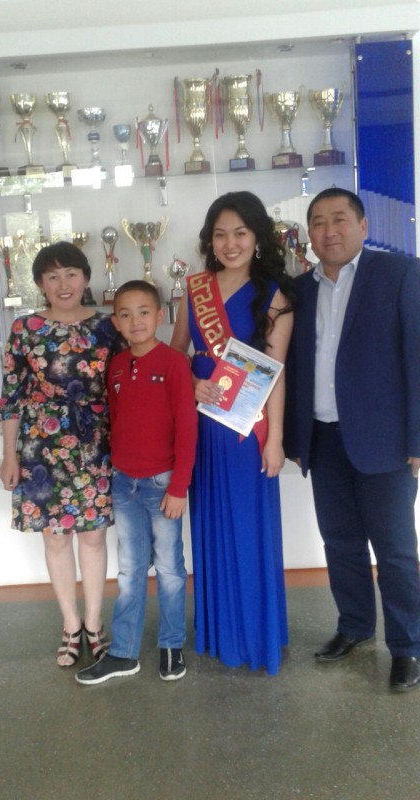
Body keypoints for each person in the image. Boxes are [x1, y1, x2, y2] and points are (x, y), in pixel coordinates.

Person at [284, 187, 420, 692]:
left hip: (386, 441)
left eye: (339, 219)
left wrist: (418, 437)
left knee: (395, 550)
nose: (329, 231)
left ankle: (408, 645)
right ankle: (356, 626)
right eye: (318, 222)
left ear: (363, 226)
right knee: (340, 543)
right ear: (309, 233)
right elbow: (295, 364)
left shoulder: (400, 274)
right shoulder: (300, 290)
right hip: (323, 439)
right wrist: (294, 435)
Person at [170, 191, 295, 673]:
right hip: (202, 426)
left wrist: (275, 440)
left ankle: (256, 633)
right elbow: (175, 355)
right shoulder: (195, 289)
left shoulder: (275, 295)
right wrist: (191, 382)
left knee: (248, 528)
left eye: (240, 233)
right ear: (210, 240)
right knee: (211, 526)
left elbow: (275, 374)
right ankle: (220, 631)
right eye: (220, 234)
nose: (230, 243)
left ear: (257, 237)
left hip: (248, 430)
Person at [0, 241, 121, 668]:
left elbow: (126, 385)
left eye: (71, 273)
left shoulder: (108, 326)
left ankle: (94, 622)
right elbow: (11, 397)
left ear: (86, 278)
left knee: (93, 535)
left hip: (96, 442)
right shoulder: (25, 329)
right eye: (52, 276)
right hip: (41, 444)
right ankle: (70, 625)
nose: (63, 283)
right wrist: (9, 456)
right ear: (39, 284)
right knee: (55, 536)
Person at [75, 280, 198, 685]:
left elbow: (187, 428)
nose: (136, 321)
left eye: (144, 312)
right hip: (124, 483)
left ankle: (171, 644)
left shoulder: (175, 363)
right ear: (116, 322)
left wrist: (179, 487)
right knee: (129, 571)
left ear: (160, 316)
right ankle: (124, 652)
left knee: (170, 569)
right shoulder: (115, 365)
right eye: (125, 315)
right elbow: (116, 420)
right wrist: (115, 470)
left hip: (163, 485)